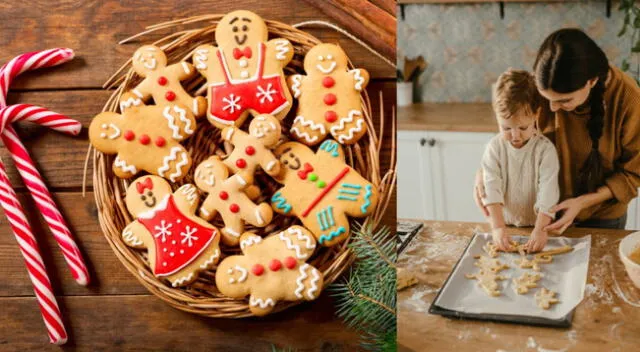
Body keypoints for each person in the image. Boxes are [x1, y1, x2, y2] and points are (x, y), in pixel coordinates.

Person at [475, 28, 640, 236]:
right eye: (547, 99)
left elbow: (633, 173)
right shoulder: (542, 83)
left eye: (564, 101)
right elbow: (512, 128)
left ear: (591, 81)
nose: (551, 109)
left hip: (603, 217)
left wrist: (582, 202)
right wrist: (484, 173)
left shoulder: (629, 98)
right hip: (546, 213)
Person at [481, 69, 559, 252]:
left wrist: (540, 229)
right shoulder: (494, 148)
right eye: (506, 127)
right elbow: (491, 187)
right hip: (505, 225)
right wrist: (498, 227)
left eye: (523, 127)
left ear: (536, 115)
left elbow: (548, 193)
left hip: (538, 227)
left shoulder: (545, 150)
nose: (515, 135)